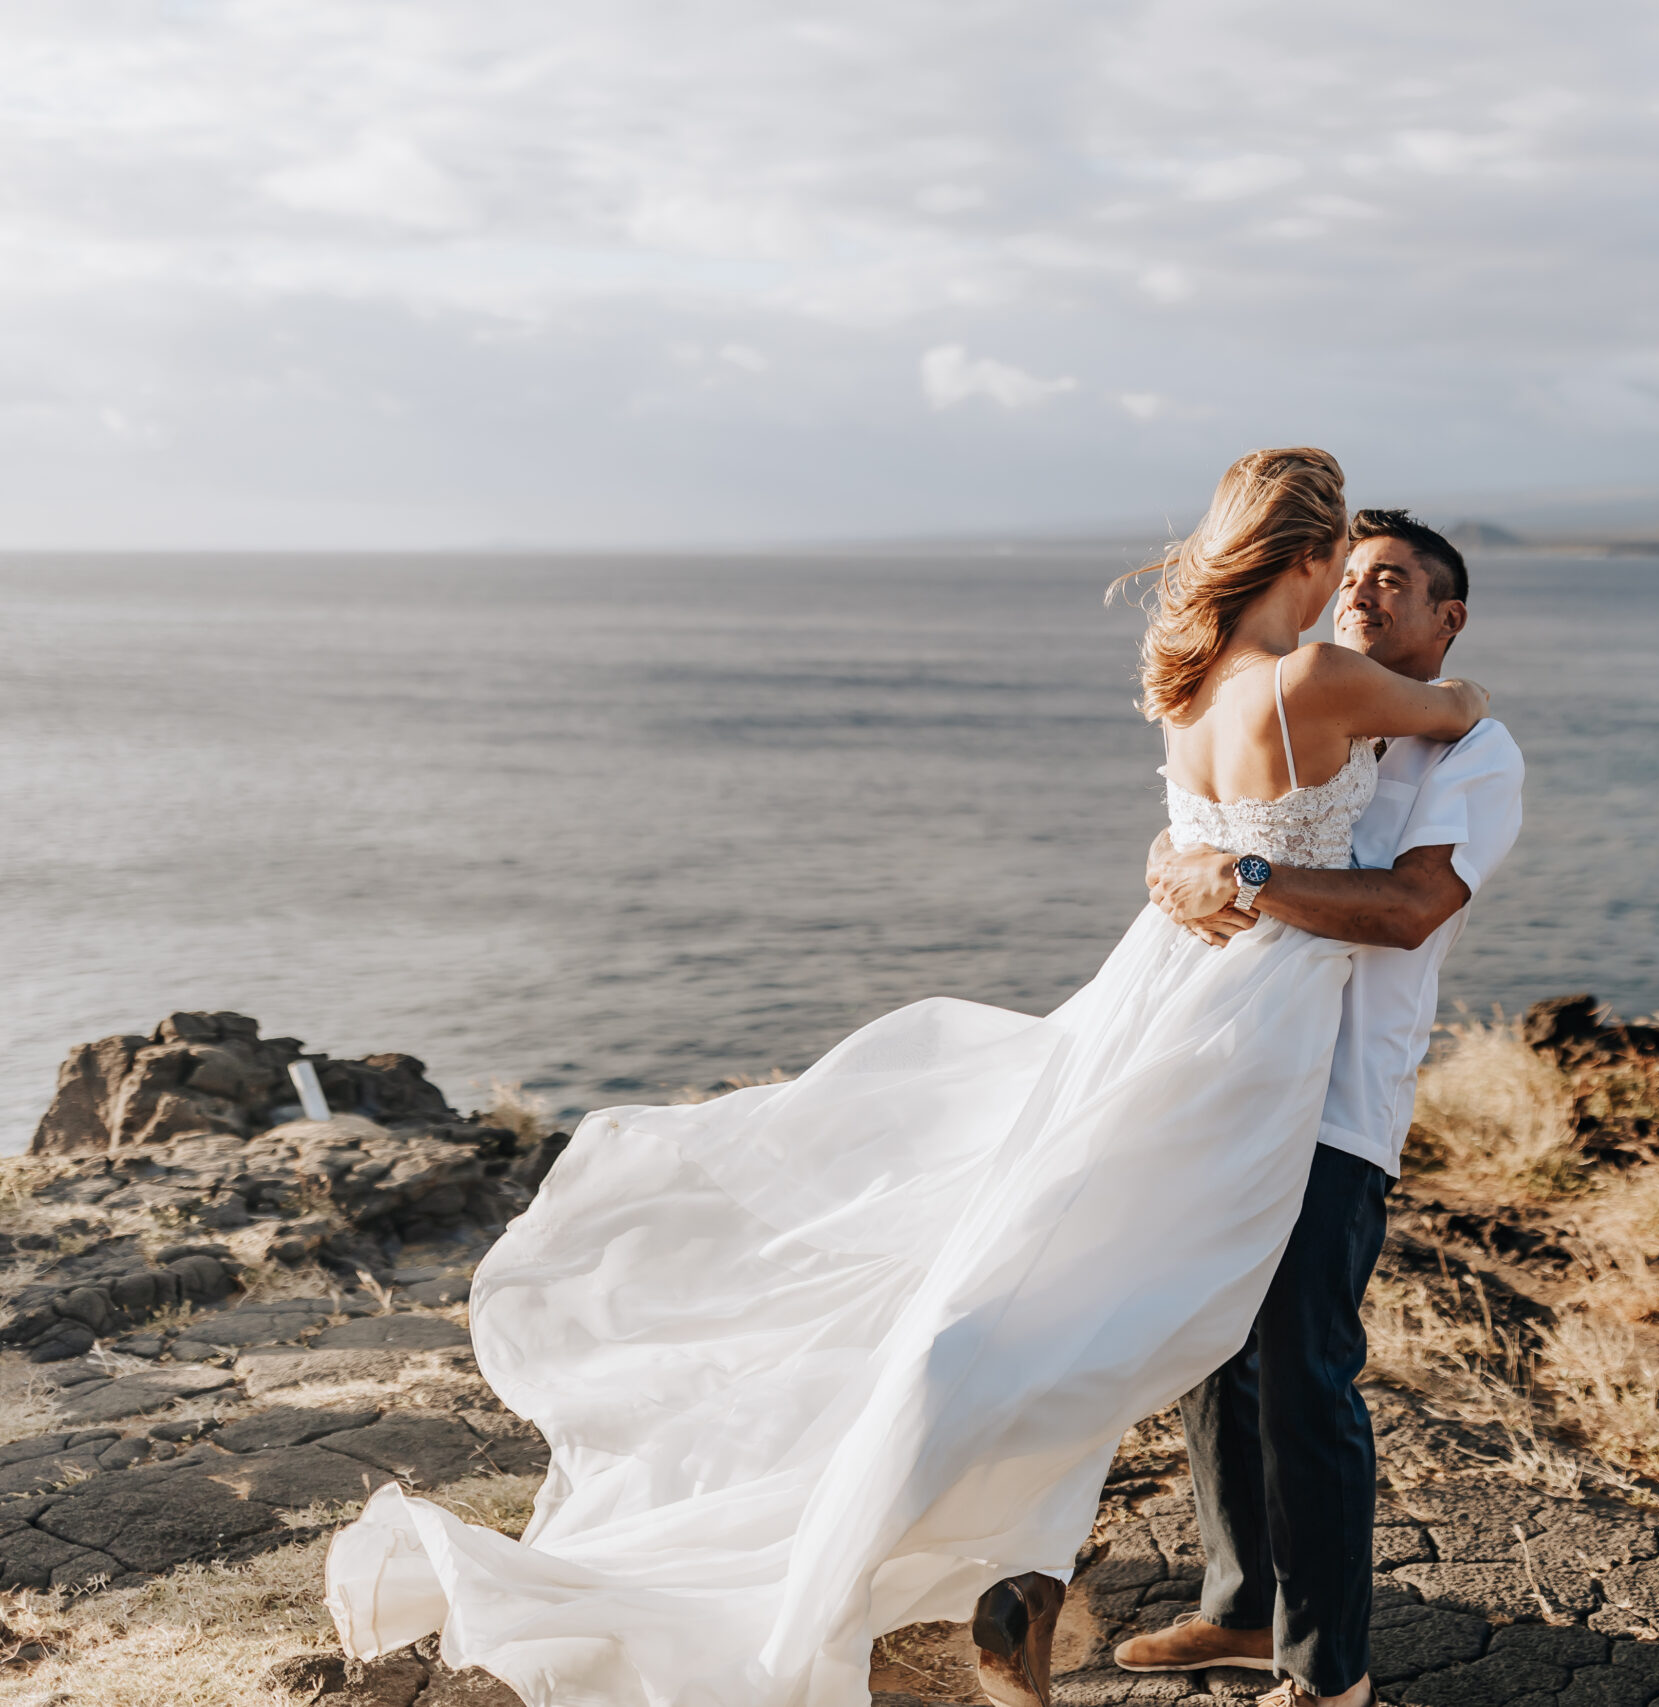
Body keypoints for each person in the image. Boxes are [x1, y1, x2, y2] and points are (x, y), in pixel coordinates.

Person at [320, 448, 1492, 1707]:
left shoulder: (1192, 679)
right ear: (1309, 560)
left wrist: (1199, 855)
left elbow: (1218, 833)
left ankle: (1021, 1572)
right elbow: (1459, 711)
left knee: (1078, 1289)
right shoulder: (1316, 678)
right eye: (1344, 572)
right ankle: (1058, 1583)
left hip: (1150, 996)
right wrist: (1434, 681)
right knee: (1144, 1313)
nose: (1350, 599)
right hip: (1252, 1028)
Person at [1096, 510, 1523, 1707]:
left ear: (1449, 619)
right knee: (1210, 1354)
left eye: (1395, 582)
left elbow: (1405, 908)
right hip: (1224, 1073)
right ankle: (1238, 1612)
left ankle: (1327, 1673)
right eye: (1356, 576)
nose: (1364, 596)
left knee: (1302, 1373)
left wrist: (1241, 875)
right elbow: (1214, 828)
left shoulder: (1474, 753)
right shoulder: (1301, 702)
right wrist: (1184, 861)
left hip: (1338, 1097)